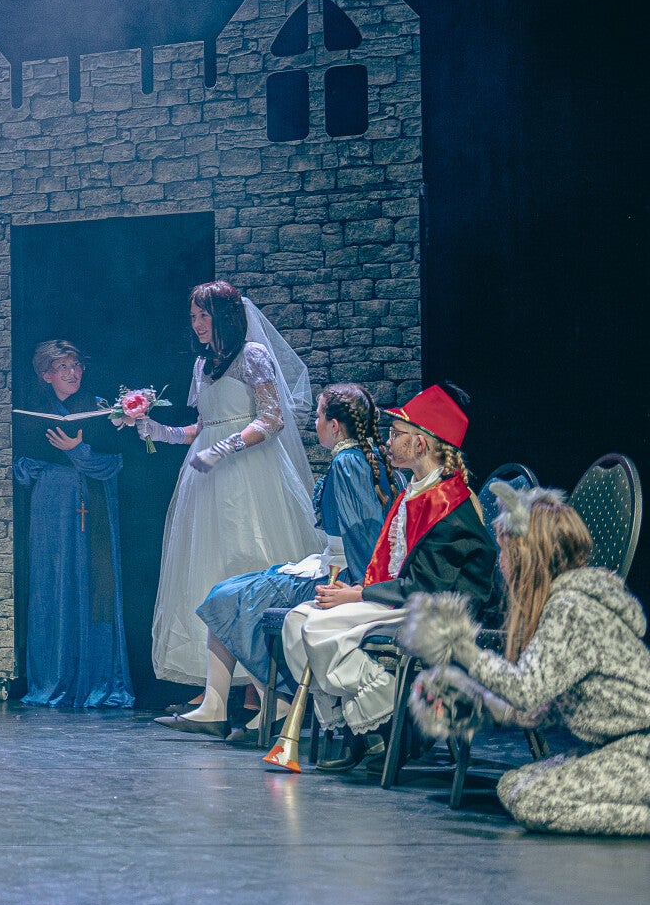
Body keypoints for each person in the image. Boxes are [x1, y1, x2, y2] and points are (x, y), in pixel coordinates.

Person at [115, 281, 322, 723]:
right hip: (207, 478)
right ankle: (217, 696)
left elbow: (272, 418)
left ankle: (267, 695)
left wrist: (225, 448)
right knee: (209, 571)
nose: (197, 324)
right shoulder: (202, 365)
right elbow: (202, 425)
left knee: (251, 562)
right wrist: (157, 430)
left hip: (249, 474)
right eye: (193, 317)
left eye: (204, 315)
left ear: (226, 314)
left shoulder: (254, 356)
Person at [404, 484, 650, 836]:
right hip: (621, 749)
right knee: (510, 786)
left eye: (504, 552)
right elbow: (539, 705)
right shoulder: (568, 603)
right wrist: (474, 702)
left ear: (525, 557)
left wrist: (460, 646)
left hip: (641, 750)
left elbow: (526, 689)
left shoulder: (572, 608)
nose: (499, 562)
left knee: (531, 801)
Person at [281, 384, 498, 770]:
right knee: (297, 620)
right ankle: (367, 727)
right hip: (404, 598)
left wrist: (361, 595)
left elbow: (427, 587)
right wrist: (360, 590)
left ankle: (388, 718)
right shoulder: (415, 492)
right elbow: (394, 564)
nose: (388, 441)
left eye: (397, 435)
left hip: (435, 611)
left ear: (420, 445)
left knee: (318, 628)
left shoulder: (449, 507)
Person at [182, 383, 397, 735]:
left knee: (225, 596)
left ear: (334, 425)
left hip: (337, 577)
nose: (314, 423)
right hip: (332, 565)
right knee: (230, 589)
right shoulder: (370, 460)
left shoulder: (348, 463)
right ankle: (219, 706)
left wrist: (360, 589)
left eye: (318, 415)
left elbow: (364, 532)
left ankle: (271, 702)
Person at [11, 339, 132, 709]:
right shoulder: (34, 412)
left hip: (93, 502)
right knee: (53, 583)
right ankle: (52, 676)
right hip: (51, 506)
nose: (72, 373)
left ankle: (98, 680)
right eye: (62, 368)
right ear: (46, 375)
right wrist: (31, 464)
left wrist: (76, 451)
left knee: (94, 586)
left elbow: (115, 463)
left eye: (76, 365)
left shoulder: (100, 409)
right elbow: (18, 462)